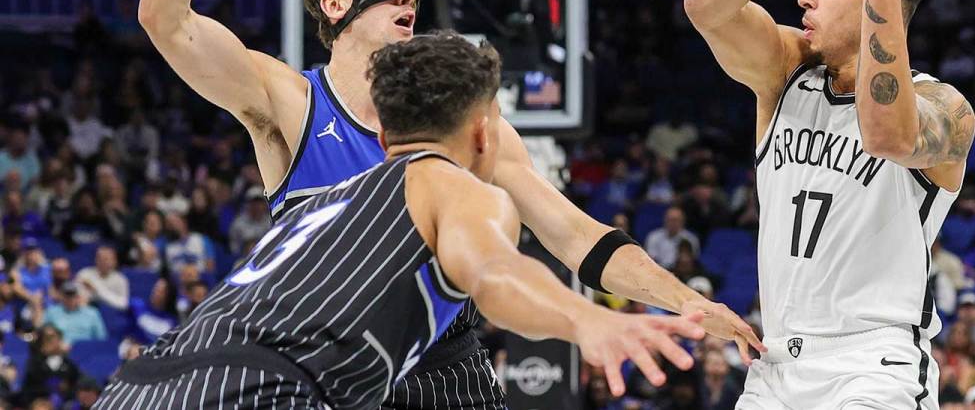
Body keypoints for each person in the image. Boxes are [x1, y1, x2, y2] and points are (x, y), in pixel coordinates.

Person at [134, 0, 755, 410]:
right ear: (334, 4)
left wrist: (687, 299)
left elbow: (574, 234)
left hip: (443, 369)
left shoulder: (462, 120)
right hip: (331, 371)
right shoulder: (290, 100)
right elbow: (165, 19)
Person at [95, 33, 708, 408]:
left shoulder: (330, 198)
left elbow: (575, 239)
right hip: (258, 393)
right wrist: (586, 319)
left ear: (385, 134)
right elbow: (495, 275)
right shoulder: (455, 186)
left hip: (143, 383)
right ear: (482, 133)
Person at [687, 0, 971, 408]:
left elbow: (887, 135)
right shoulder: (784, 71)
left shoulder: (945, 107)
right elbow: (706, 7)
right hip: (775, 364)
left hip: (873, 365)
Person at [42, 282, 107, 345]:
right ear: (61, 297)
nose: (70, 298)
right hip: (59, 350)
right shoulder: (51, 312)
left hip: (86, 350)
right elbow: (44, 334)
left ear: (78, 296)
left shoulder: (92, 313)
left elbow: (101, 338)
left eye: (73, 295)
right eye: (67, 295)